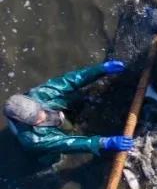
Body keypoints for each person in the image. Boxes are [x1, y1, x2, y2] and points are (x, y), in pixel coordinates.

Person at [5, 62, 133, 162]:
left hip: (57, 116)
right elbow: (69, 144)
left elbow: (69, 80)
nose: (43, 116)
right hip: (46, 149)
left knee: (73, 98)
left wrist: (100, 69)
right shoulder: (34, 139)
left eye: (39, 110)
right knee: (53, 158)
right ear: (22, 121)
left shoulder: (37, 94)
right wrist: (103, 142)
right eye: (36, 119)